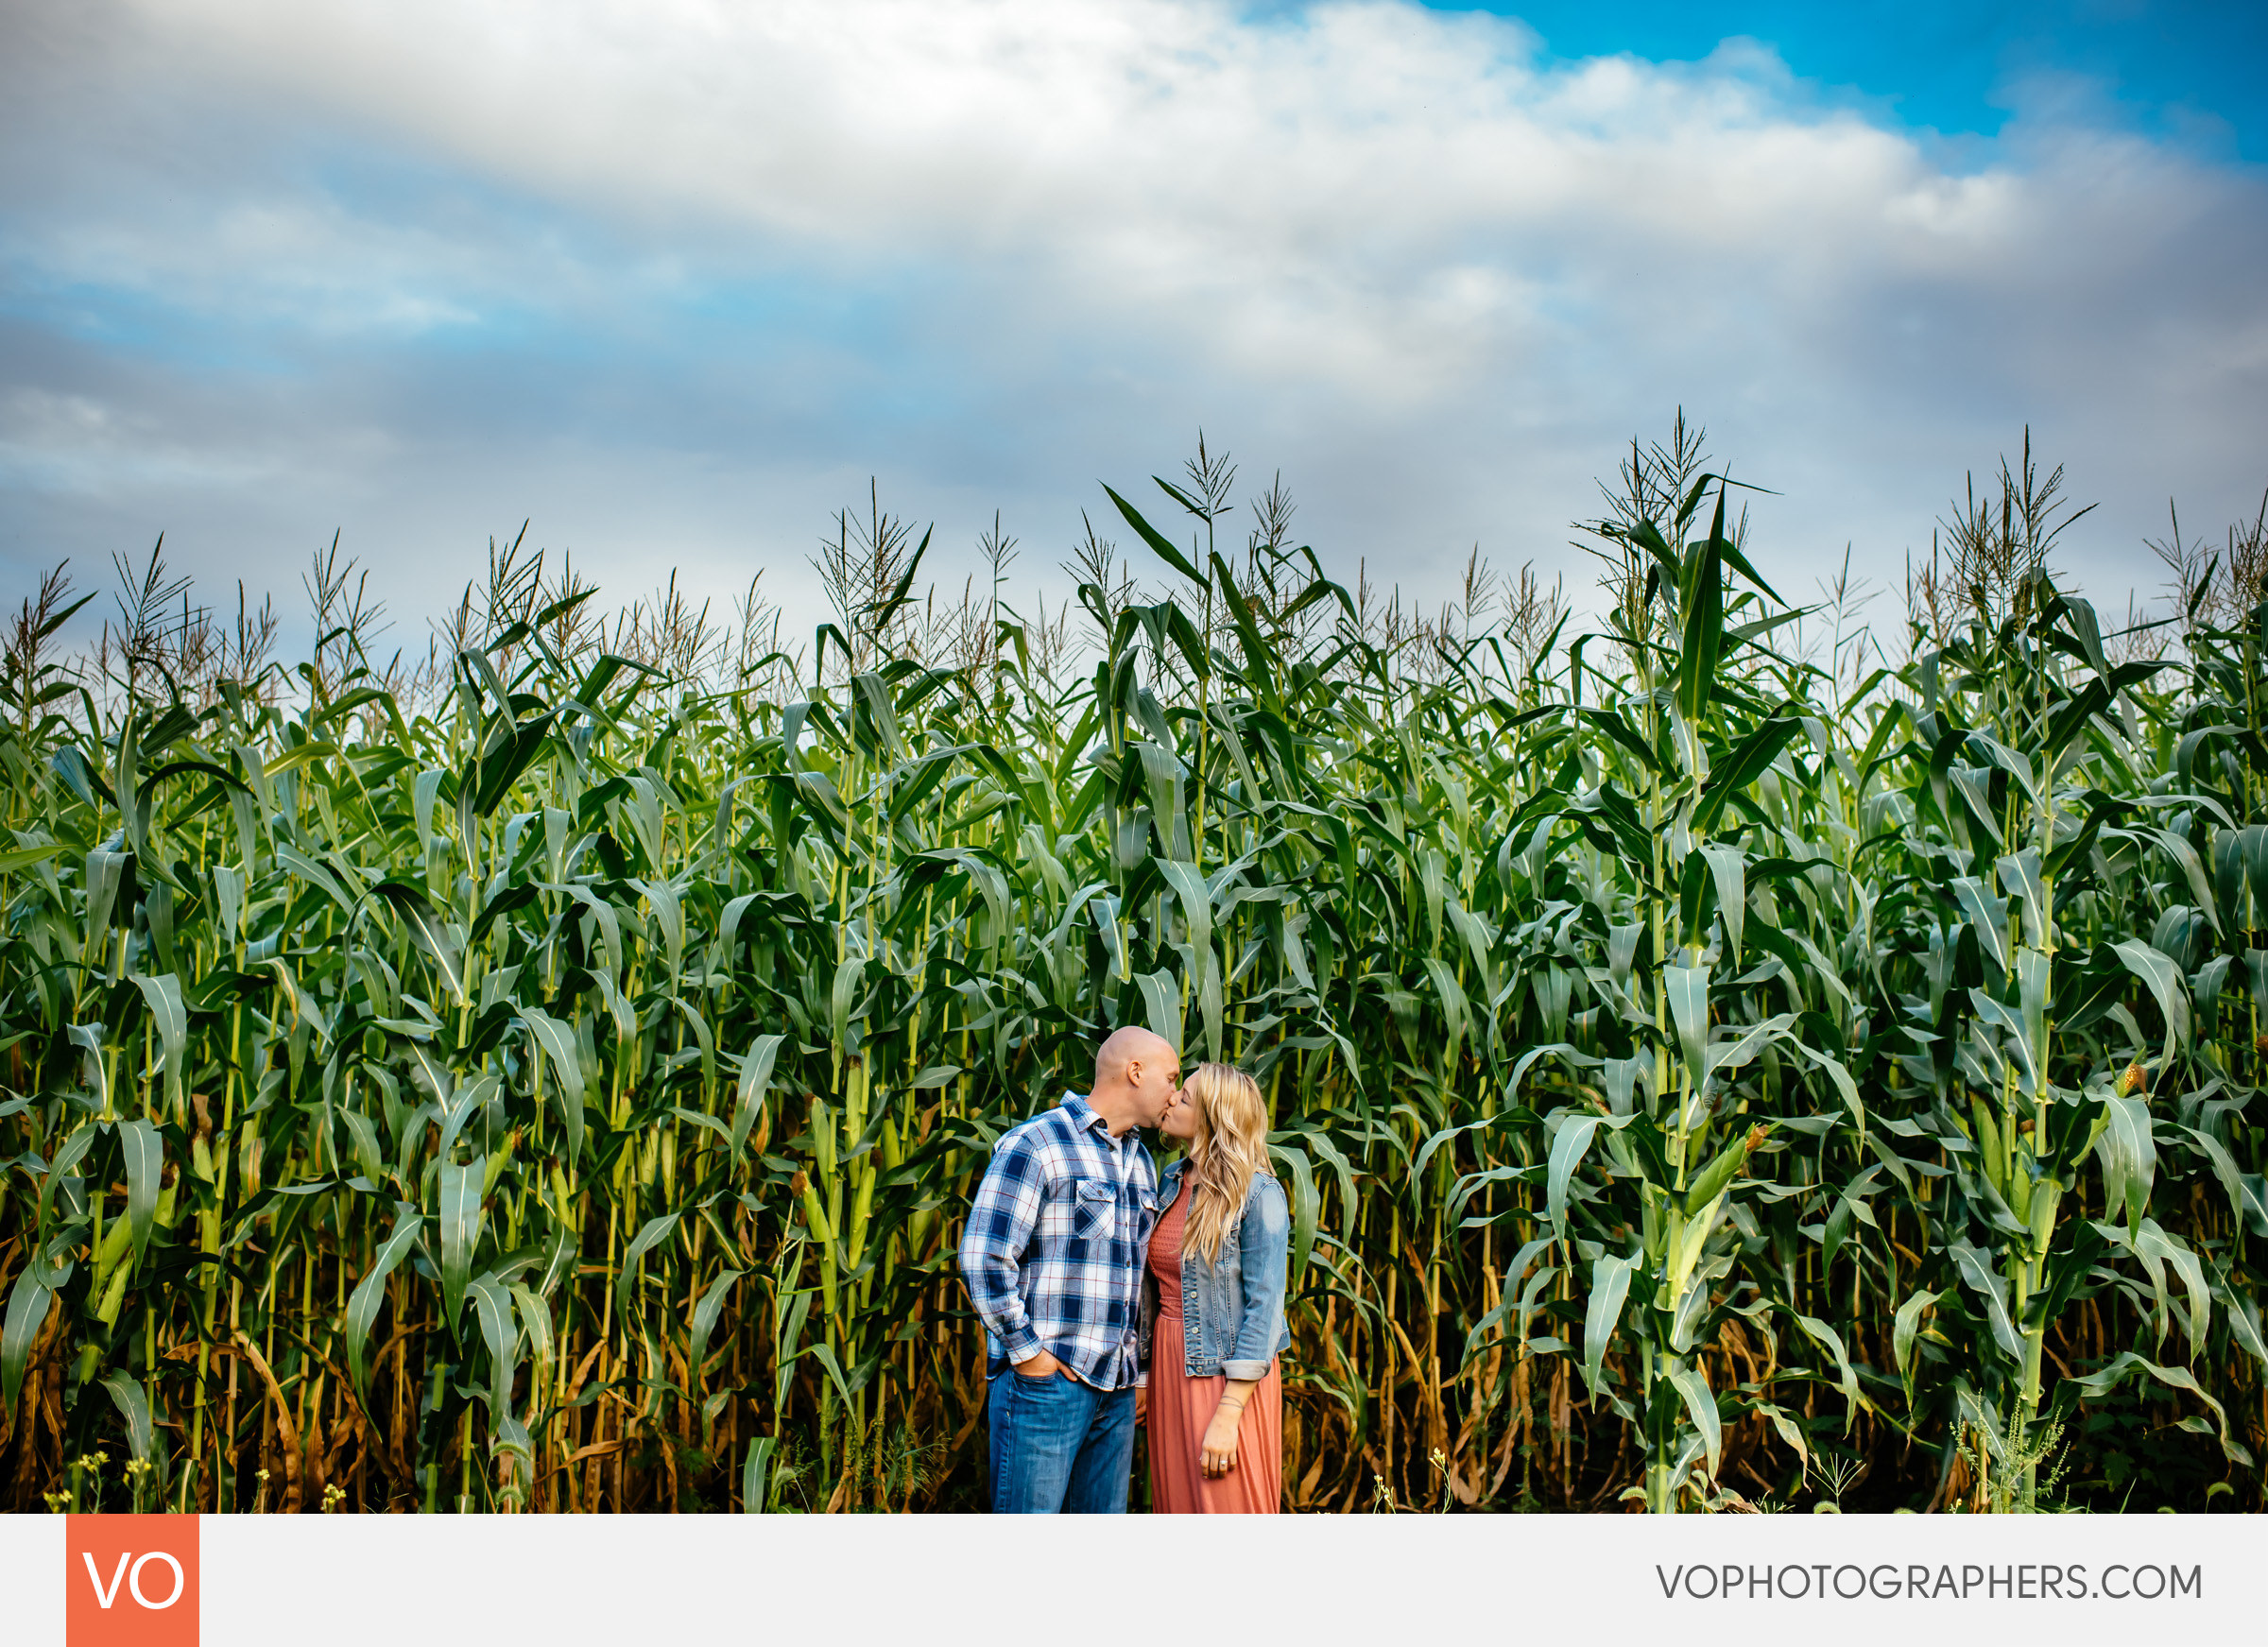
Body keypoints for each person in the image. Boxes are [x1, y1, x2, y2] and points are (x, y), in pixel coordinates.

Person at [959, 1025, 1180, 1513]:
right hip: (1047, 1387)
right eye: (1171, 1077)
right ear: (1135, 1072)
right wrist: (1028, 1354)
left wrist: (1139, 1374)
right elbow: (984, 1256)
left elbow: (1138, 1278)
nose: (1177, 1093)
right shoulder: (1036, 1144)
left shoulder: (1141, 1163)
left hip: (1116, 1395)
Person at [1141, 1061, 1290, 1513]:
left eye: (1183, 1097)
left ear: (1211, 1117)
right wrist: (1146, 1374)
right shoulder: (1171, 1181)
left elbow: (1265, 1309)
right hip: (1171, 1365)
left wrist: (1229, 1412)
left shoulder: (1259, 1195)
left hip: (1226, 1378)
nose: (1170, 1099)